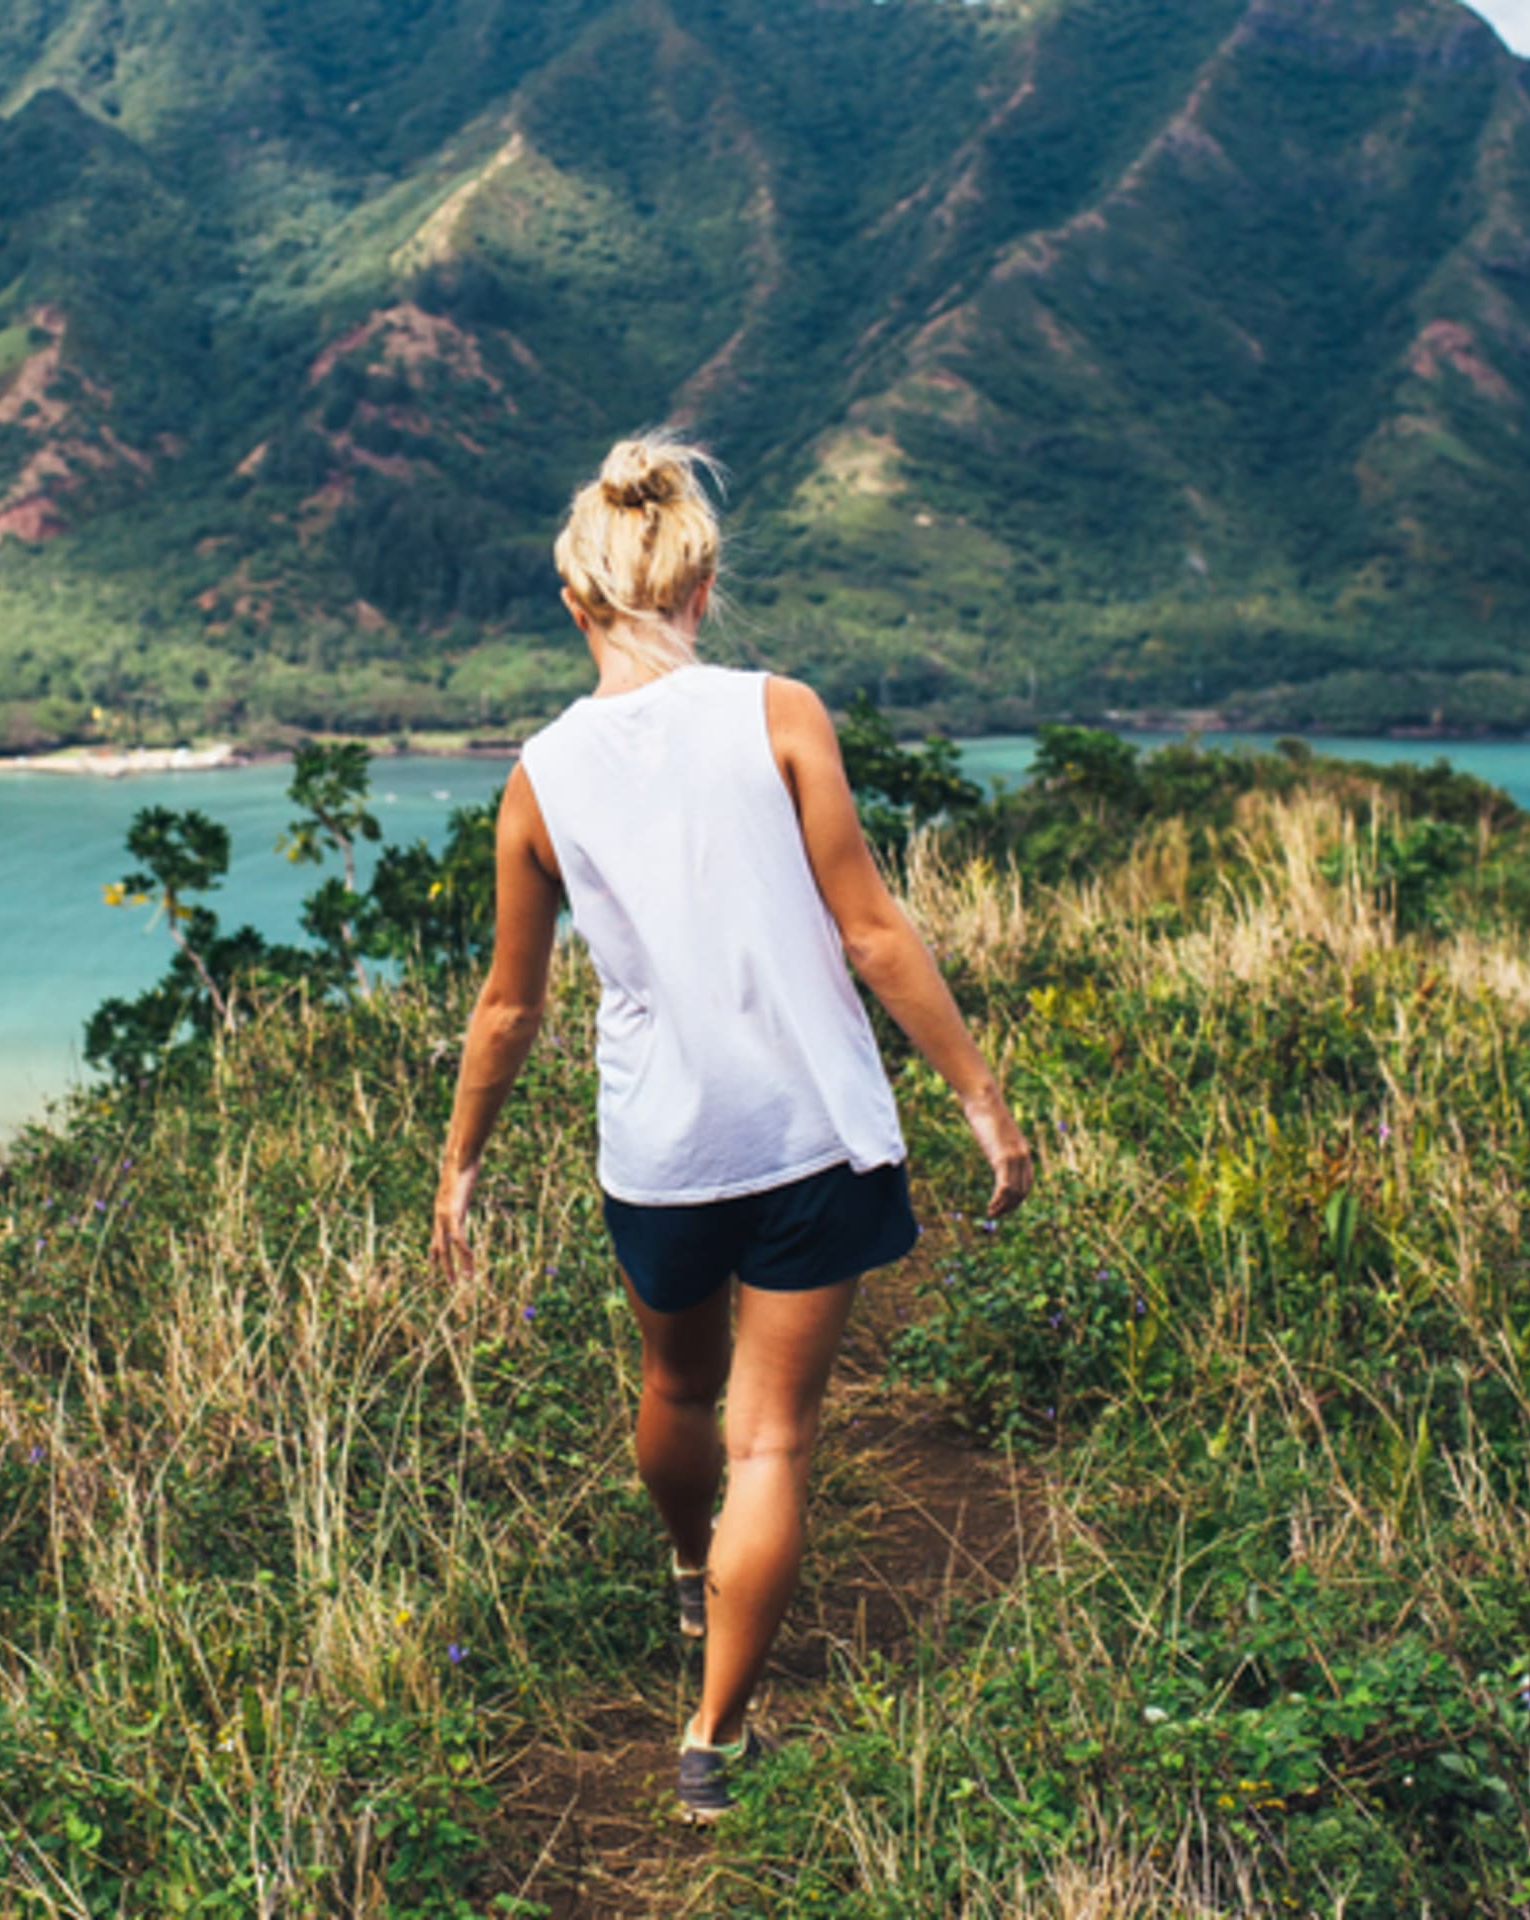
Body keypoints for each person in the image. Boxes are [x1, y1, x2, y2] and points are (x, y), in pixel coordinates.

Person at [427, 429, 1037, 1823]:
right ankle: (711, 1741)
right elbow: (875, 935)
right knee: (773, 1442)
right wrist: (979, 1099)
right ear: (700, 590)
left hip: (659, 1152)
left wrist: (460, 1170)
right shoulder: (781, 712)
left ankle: (689, 1580)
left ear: (576, 606)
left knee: (678, 1397)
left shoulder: (540, 774)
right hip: (808, 1133)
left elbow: (508, 1009)